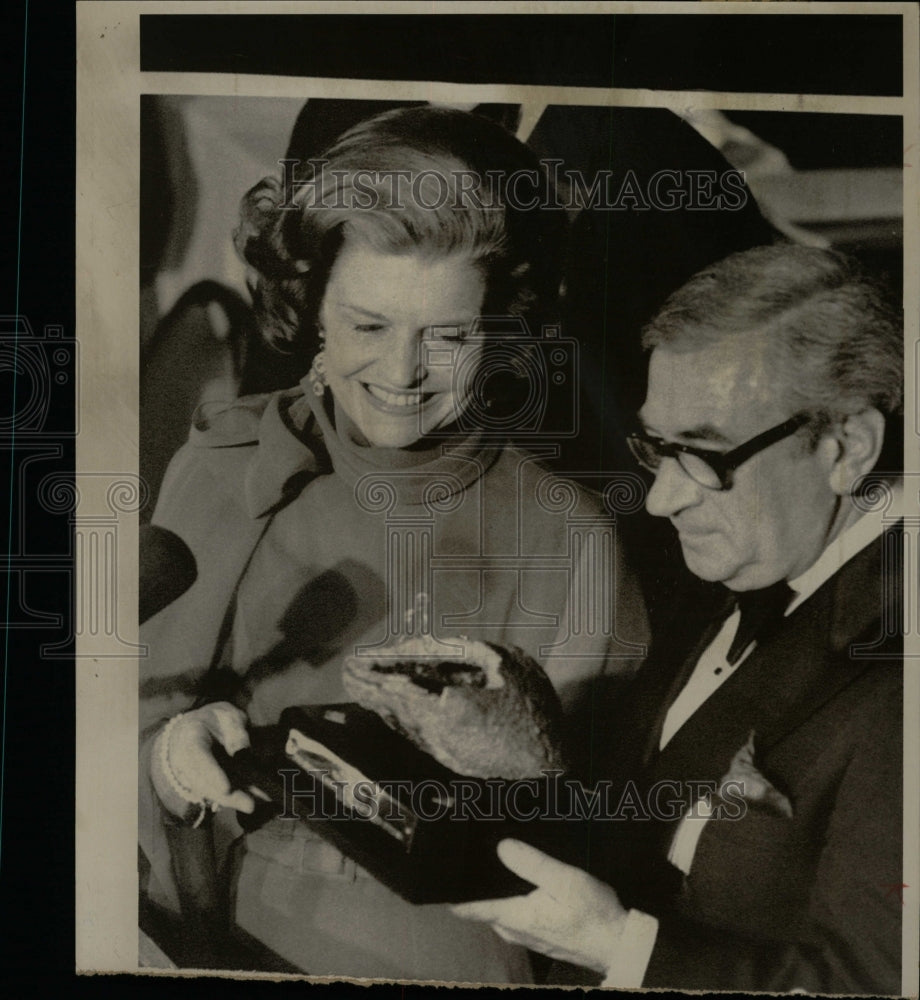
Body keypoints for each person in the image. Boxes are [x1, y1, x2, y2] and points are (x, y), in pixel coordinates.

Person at [138, 106, 649, 980]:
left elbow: (592, 850)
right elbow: (99, 733)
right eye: (369, 325)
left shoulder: (570, 535)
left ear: (501, 324)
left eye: (449, 335)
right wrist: (169, 758)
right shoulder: (221, 457)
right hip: (177, 931)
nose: (403, 373)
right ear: (311, 308)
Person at [452, 243, 904, 995]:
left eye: (703, 454)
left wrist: (616, 948)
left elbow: (877, 984)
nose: (662, 499)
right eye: (659, 448)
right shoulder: (738, 557)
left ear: (848, 446)